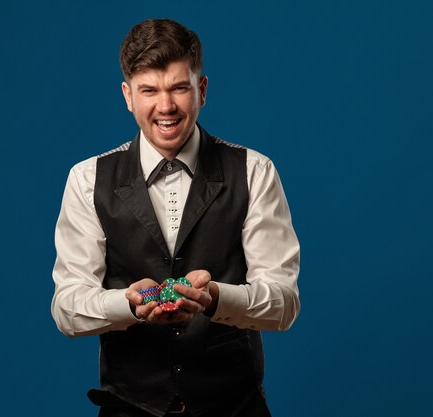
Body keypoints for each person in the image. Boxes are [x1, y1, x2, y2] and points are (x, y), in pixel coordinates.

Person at [51, 18, 300, 417]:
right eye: (149, 90)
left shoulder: (254, 171)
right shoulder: (86, 180)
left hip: (234, 408)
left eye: (179, 88)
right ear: (128, 95)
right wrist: (127, 305)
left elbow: (284, 304)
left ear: (201, 90)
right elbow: (67, 308)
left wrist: (216, 297)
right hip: (130, 407)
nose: (165, 106)